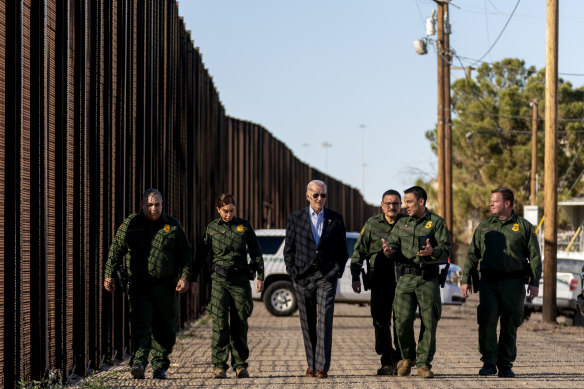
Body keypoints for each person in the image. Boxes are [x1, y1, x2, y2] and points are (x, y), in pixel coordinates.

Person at [104, 188, 192, 380]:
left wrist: (185, 277)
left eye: (157, 205)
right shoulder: (131, 224)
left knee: (165, 328)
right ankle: (139, 362)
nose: (154, 209)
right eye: (150, 205)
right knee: (140, 324)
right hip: (140, 285)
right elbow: (116, 250)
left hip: (166, 286)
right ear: (142, 205)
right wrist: (108, 274)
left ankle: (160, 365)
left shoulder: (173, 226)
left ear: (162, 205)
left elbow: (186, 254)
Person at [461, 187, 541, 378]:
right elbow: (472, 254)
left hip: (513, 283)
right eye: (490, 201)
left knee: (510, 324)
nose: (491, 204)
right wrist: (465, 279)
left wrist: (534, 282)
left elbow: (535, 256)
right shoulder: (484, 226)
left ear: (507, 203)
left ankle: (505, 364)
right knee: (487, 321)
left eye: (495, 201)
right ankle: (488, 362)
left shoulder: (524, 227)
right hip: (488, 282)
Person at [382, 186, 451, 379]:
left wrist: (433, 252)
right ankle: (407, 358)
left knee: (429, 322)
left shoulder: (436, 222)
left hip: (428, 278)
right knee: (401, 321)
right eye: (404, 202)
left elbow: (446, 249)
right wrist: (389, 250)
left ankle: (423, 364)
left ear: (421, 201)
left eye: (409, 202)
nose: (405, 206)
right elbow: (393, 245)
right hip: (405, 279)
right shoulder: (402, 223)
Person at [195, 194, 264, 379]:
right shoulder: (211, 229)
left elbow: (256, 252)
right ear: (218, 210)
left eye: (231, 211)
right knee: (219, 324)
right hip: (219, 281)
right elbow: (200, 255)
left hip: (240, 281)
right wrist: (192, 279)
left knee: (240, 323)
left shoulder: (244, 226)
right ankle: (219, 365)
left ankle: (240, 365)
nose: (228, 215)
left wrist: (261, 276)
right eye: (225, 211)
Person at [284, 180, 347, 379]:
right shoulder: (296, 218)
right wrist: (294, 273)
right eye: (316, 195)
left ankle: (322, 367)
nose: (320, 199)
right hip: (303, 277)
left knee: (325, 321)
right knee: (307, 322)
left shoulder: (335, 218)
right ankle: (310, 364)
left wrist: (335, 272)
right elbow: (289, 250)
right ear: (308, 195)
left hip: (326, 277)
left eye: (323, 195)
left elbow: (342, 251)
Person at [351, 189, 404, 375]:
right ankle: (386, 361)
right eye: (388, 203)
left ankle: (401, 359)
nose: (392, 207)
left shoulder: (407, 223)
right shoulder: (372, 224)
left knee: (402, 322)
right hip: (380, 281)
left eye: (396, 203)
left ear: (401, 205)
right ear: (382, 205)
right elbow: (358, 251)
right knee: (380, 322)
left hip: (403, 283)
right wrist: (355, 276)